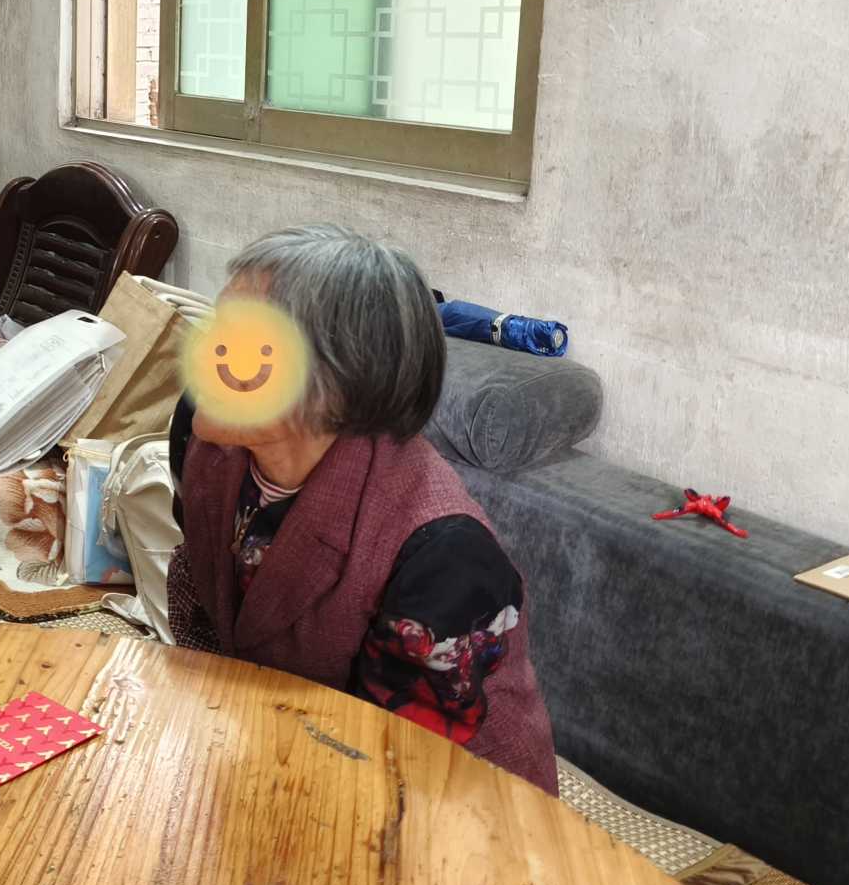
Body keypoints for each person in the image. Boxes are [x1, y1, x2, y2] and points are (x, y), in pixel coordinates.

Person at [168, 225, 557, 793]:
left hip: (454, 807)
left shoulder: (444, 555)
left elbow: (396, 774)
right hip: (271, 750)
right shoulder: (202, 438)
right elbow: (206, 606)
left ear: (338, 386)